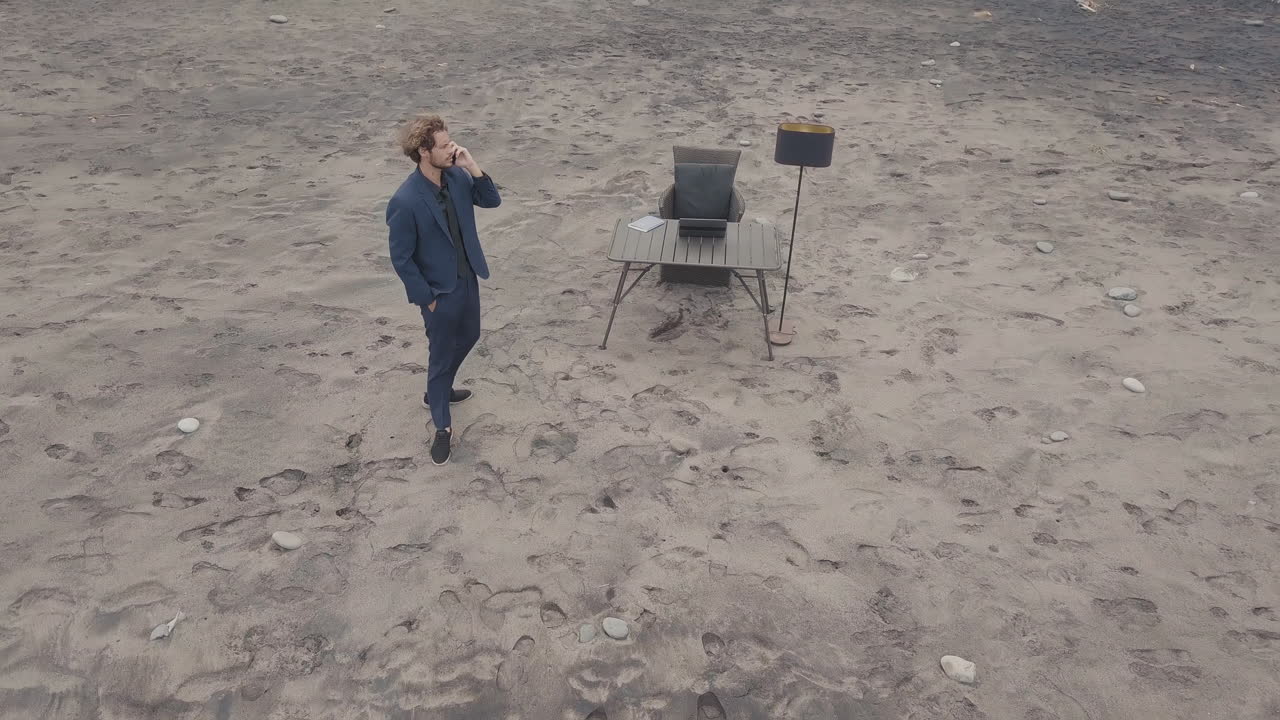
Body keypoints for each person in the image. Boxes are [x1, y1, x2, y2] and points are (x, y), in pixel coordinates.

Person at [385, 113, 501, 466]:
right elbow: (402, 259)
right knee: (439, 358)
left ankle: (440, 389)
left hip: (468, 279)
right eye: (444, 146)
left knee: (471, 336)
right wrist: (428, 299)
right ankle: (442, 427)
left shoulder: (458, 178)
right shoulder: (405, 200)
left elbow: (492, 201)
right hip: (439, 292)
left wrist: (472, 166)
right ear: (423, 151)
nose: (452, 149)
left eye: (451, 143)